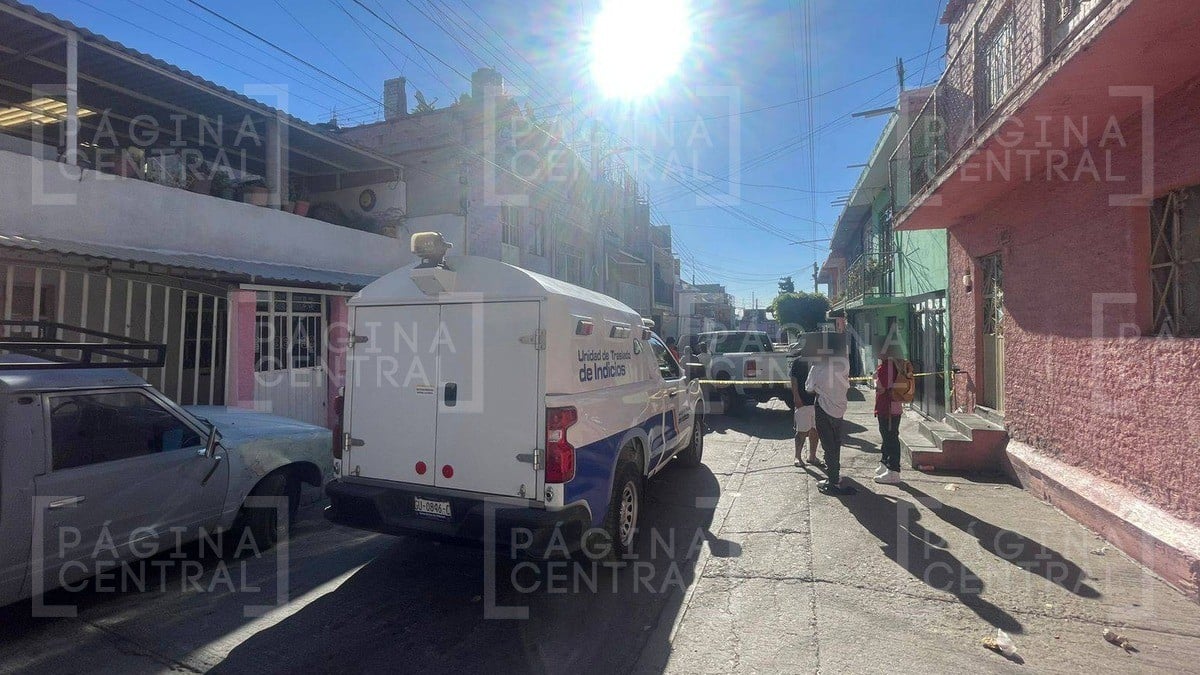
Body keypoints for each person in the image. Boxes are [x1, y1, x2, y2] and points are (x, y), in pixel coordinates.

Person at [805, 338, 851, 495]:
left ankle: (832, 481)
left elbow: (808, 388)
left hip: (824, 409)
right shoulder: (844, 363)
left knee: (828, 445)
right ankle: (835, 476)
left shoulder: (818, 366)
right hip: (840, 408)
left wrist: (820, 387)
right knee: (836, 443)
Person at [874, 343, 905, 485]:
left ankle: (893, 471)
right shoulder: (896, 365)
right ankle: (886, 464)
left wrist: (875, 379)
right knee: (888, 437)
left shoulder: (886, 367)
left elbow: (880, 389)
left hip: (887, 409)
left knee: (890, 438)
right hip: (894, 407)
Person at [789, 353, 821, 468]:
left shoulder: (821, 360)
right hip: (802, 401)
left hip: (818, 402)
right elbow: (793, 380)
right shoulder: (798, 361)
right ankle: (797, 457)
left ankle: (812, 456)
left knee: (815, 430)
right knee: (801, 431)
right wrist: (796, 397)